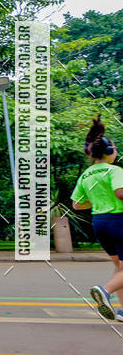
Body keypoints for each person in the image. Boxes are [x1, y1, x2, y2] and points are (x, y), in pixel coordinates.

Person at [72, 116, 123, 321]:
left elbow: (77, 204)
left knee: (120, 268)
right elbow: (120, 193)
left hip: (100, 223)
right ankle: (105, 290)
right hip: (119, 220)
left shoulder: (86, 175)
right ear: (109, 151)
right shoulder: (115, 170)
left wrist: (99, 202)